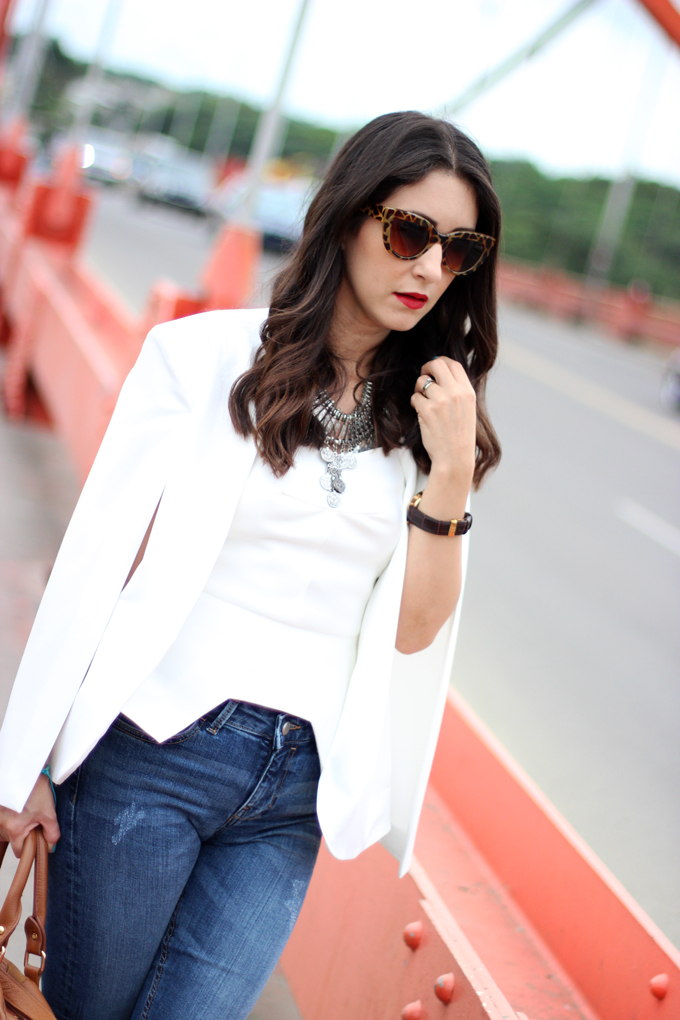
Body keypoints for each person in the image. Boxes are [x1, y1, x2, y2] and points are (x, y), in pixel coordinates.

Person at [0, 110, 501, 1020]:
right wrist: (20, 763)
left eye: (458, 249)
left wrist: (455, 471)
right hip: (148, 755)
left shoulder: (433, 422)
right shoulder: (203, 358)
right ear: (348, 217)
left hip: (291, 797)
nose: (430, 268)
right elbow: (93, 563)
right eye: (409, 232)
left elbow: (415, 630)